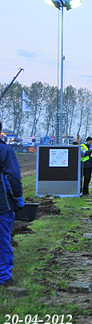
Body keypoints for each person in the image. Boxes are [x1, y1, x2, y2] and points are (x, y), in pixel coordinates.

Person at [0, 121, 23, 285]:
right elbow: (13, 177)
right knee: (2, 240)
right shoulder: (4, 151)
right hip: (2, 205)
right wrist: (18, 198)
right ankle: (4, 277)